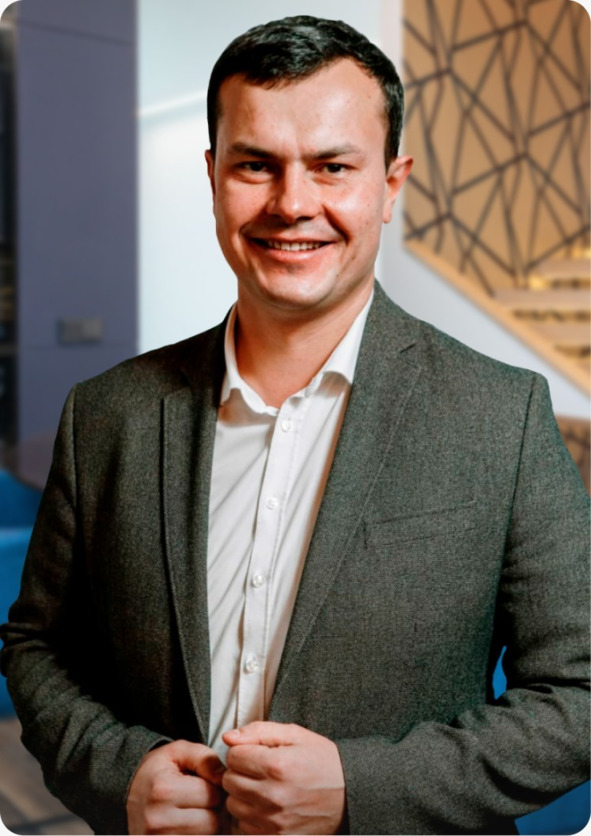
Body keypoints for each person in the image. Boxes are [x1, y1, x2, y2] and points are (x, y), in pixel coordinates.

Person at [1, 14, 589, 836]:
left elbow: (577, 696)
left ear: (390, 185)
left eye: (332, 166)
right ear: (213, 176)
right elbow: (38, 647)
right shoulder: (106, 413)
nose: (292, 204)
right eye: (255, 165)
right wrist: (119, 775)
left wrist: (359, 788)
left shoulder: (502, 415)